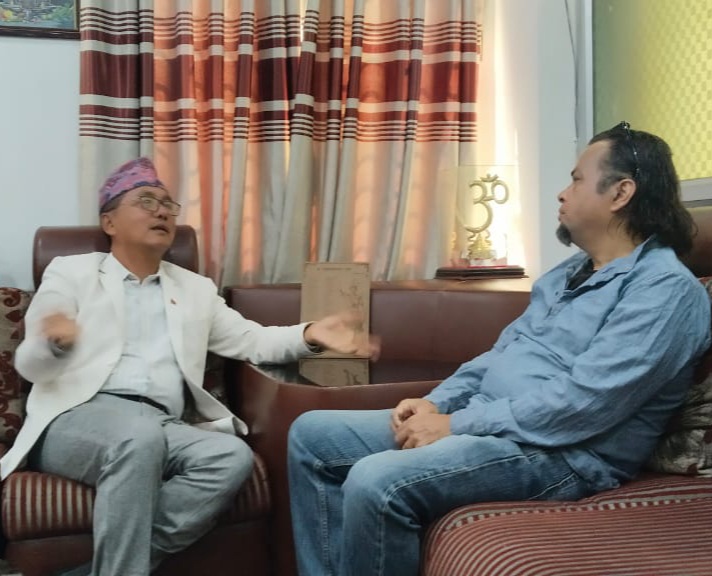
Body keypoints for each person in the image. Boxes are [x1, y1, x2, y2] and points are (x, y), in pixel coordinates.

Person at [287, 122, 712, 576]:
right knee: (311, 436)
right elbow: (502, 354)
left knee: (377, 481)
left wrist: (455, 424)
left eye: (576, 180)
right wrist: (438, 402)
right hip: (497, 422)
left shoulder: (664, 291)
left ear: (621, 193)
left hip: (567, 452)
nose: (562, 193)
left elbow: (586, 403)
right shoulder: (567, 273)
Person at [0, 157, 377, 576]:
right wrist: (54, 341)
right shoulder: (72, 272)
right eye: (146, 201)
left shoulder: (195, 289)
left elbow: (252, 340)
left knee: (230, 457)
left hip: (162, 424)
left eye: (167, 204)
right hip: (77, 417)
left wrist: (310, 334)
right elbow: (31, 366)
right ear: (109, 222)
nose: (162, 211)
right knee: (138, 439)